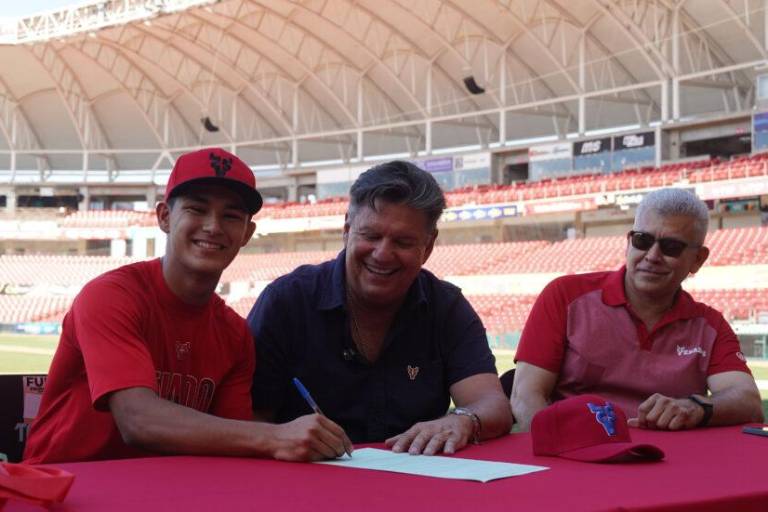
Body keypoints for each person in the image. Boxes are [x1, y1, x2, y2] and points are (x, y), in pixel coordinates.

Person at [24, 147, 351, 464]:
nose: (213, 226)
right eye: (197, 209)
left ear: (247, 233)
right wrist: (275, 436)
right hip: (63, 483)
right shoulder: (110, 295)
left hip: (164, 487)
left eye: (231, 215)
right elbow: (138, 420)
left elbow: (234, 442)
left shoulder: (235, 334)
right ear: (164, 217)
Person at [248, 160, 512, 455]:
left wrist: (463, 420)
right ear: (347, 229)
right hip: (305, 479)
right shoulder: (286, 302)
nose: (383, 254)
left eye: (403, 242)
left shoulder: (447, 307)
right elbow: (248, 421)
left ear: (428, 247)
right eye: (371, 236)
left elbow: (492, 404)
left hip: (413, 479)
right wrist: (279, 437)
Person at [511, 188, 764, 431]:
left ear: (698, 260)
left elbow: (748, 401)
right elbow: (525, 396)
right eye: (642, 240)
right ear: (628, 243)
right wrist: (557, 444)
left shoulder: (710, 325)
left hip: (671, 456)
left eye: (671, 247)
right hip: (579, 450)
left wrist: (696, 407)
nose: (652, 256)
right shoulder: (564, 295)